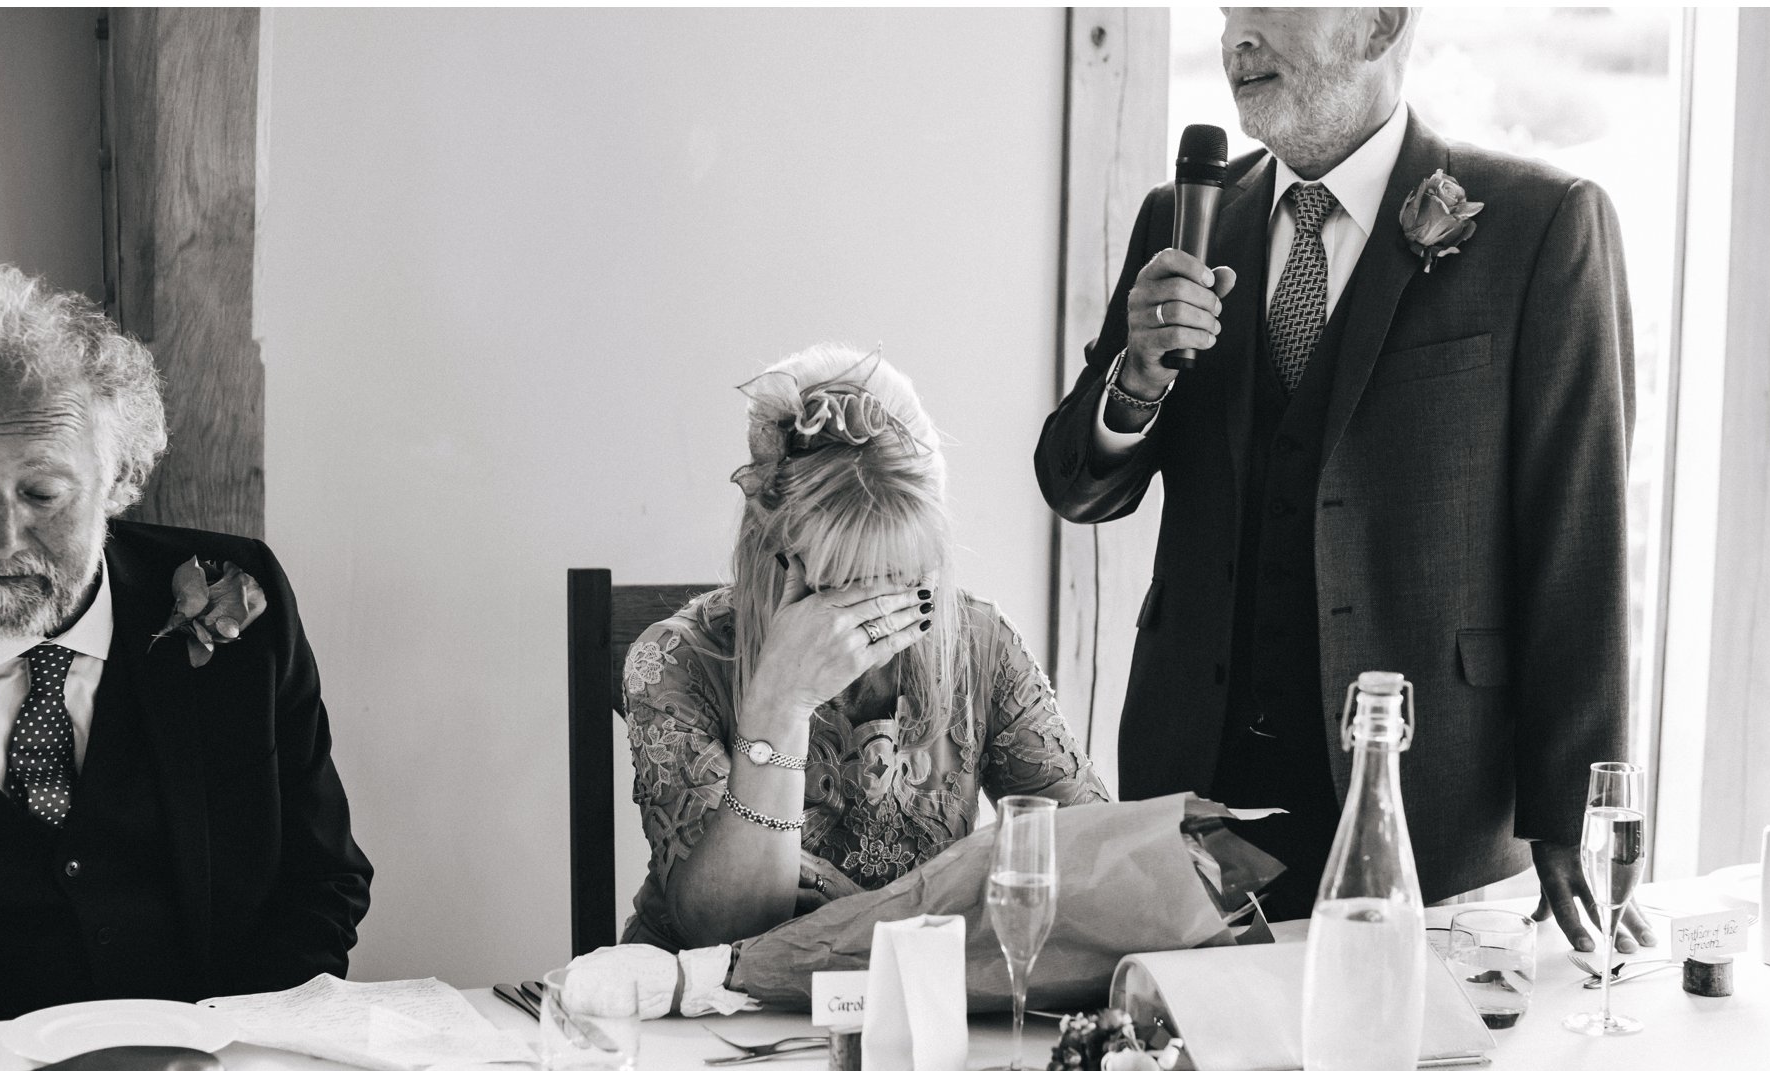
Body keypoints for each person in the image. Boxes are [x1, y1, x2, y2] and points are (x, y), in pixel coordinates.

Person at [1034, 8, 1652, 952]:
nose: (1237, 37)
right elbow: (1077, 485)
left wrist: (1573, 803)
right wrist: (1138, 374)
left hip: (1429, 795)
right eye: (1229, 11)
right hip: (1194, 784)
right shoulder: (1183, 219)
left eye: (1271, 7)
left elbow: (1580, 534)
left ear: (1381, 24)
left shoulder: (1541, 225)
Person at [0, 265, 374, 1023]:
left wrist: (232, 1045)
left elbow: (322, 879)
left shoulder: (242, 597)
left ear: (120, 479)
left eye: (40, 494)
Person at [622, 344, 1108, 950]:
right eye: (845, 589)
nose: (879, 621)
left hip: (904, 1009)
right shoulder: (676, 662)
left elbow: (1092, 863)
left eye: (906, 581)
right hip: (704, 1017)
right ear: (775, 554)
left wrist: (884, 918)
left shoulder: (979, 645)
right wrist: (780, 703)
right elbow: (728, 930)